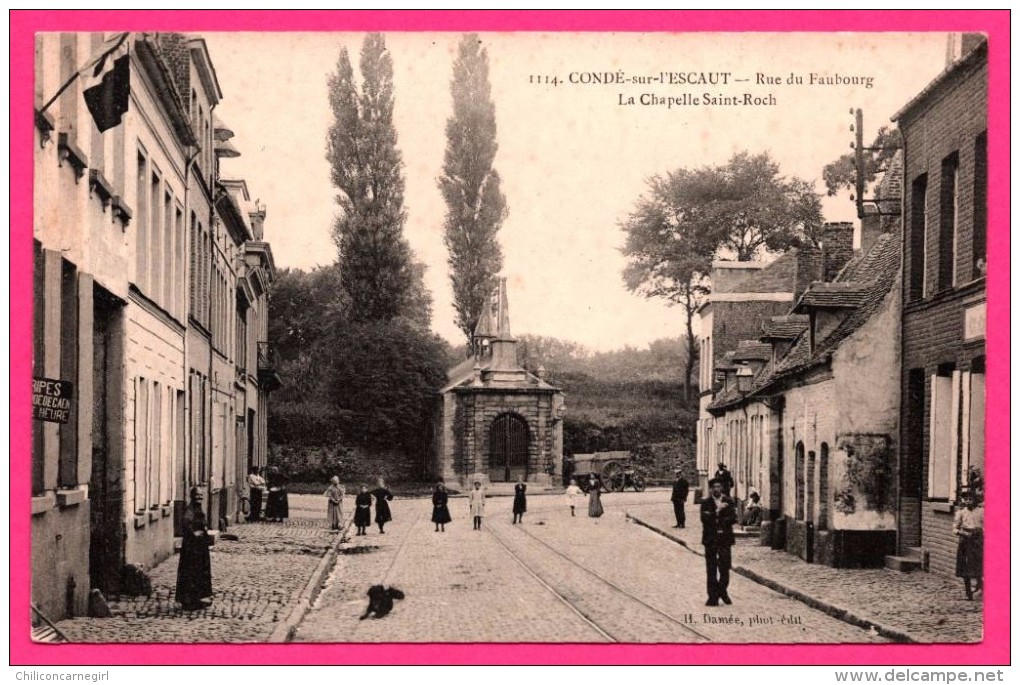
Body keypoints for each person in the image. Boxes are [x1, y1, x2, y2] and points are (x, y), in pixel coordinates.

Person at [701, 477, 737, 607]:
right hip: (710, 540)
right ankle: (712, 597)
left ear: (722, 488)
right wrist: (718, 510)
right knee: (711, 569)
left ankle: (722, 590)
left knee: (725, 568)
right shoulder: (705, 503)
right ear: (710, 489)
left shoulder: (729, 501)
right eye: (714, 487)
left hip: (725, 540)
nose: (716, 489)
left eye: (718, 486)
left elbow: (733, 518)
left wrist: (721, 523)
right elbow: (705, 519)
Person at [176, 487, 213, 611]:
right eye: (197, 495)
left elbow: (202, 522)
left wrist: (205, 529)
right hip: (192, 548)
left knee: (200, 572)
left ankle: (199, 598)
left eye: (201, 495)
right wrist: (194, 533)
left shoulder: (198, 508)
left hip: (200, 547)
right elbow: (186, 523)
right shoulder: (190, 509)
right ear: (192, 496)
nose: (200, 497)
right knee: (191, 572)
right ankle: (188, 600)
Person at [954, 488, 984, 600]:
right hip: (965, 542)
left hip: (978, 541)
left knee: (978, 565)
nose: (967, 501)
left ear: (975, 500)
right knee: (964, 566)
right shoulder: (961, 513)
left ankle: (979, 586)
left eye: (970, 499)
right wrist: (962, 533)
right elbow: (955, 528)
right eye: (965, 499)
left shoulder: (982, 512)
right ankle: (968, 592)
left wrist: (980, 532)